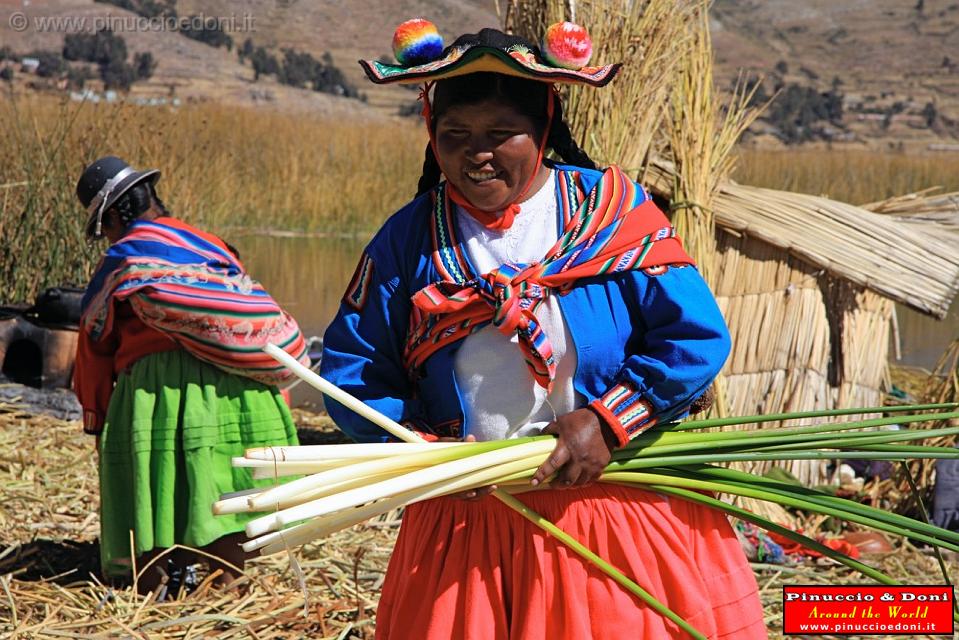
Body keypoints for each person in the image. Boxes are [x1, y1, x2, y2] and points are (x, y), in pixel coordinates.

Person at [321, 24, 766, 639]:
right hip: (468, 523)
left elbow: (692, 338)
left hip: (610, 508)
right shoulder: (407, 240)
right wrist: (423, 453)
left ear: (544, 126)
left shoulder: (613, 214)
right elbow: (354, 372)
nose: (477, 153)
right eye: (455, 135)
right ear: (431, 134)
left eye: (501, 134)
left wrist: (608, 421)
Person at [74, 156, 309, 594]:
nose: (105, 237)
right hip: (239, 392)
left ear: (112, 215)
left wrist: (100, 412)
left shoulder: (124, 255)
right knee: (221, 489)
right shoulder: (212, 245)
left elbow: (94, 335)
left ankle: (158, 587)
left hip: (156, 393)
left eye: (103, 227)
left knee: (158, 486)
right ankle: (227, 587)